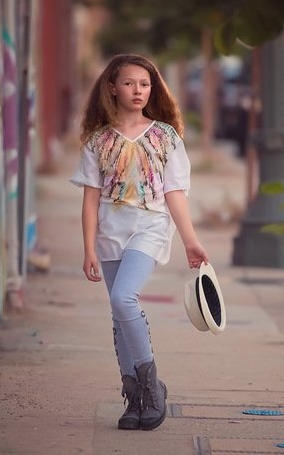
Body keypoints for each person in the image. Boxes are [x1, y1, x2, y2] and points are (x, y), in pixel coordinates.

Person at [69, 54, 209, 431]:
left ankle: (152, 389)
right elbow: (90, 199)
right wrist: (88, 249)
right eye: (130, 83)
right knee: (119, 317)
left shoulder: (165, 137)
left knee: (123, 298)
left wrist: (190, 241)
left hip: (149, 227)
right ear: (112, 88)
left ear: (153, 89)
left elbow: (176, 192)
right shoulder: (97, 141)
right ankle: (134, 400)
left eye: (145, 84)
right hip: (109, 233)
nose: (138, 91)